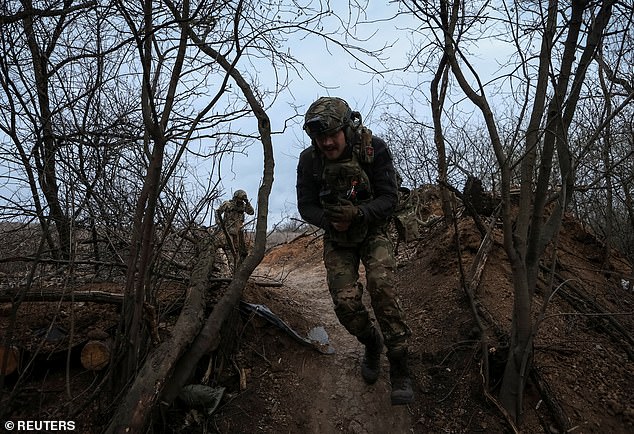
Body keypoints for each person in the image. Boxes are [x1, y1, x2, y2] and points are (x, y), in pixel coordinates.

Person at [295, 96, 414, 405]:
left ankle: (400, 365)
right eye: (319, 137)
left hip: (373, 227)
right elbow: (306, 205)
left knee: (382, 287)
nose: (326, 142)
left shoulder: (373, 149)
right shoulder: (310, 160)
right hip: (339, 237)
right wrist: (331, 222)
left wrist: (359, 214)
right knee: (345, 303)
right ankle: (372, 343)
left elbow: (390, 198)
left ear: (347, 129)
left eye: (332, 134)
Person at [215, 189, 254, 266]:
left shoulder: (243, 206)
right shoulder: (227, 204)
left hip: (238, 231)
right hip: (228, 230)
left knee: (238, 250)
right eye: (240, 199)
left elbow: (251, 212)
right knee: (229, 248)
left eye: (242, 200)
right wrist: (219, 223)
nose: (241, 201)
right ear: (236, 198)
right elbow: (218, 212)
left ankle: (236, 266)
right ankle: (229, 265)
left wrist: (247, 202)